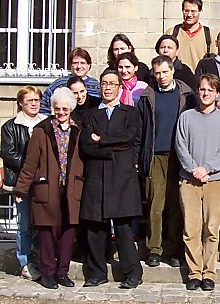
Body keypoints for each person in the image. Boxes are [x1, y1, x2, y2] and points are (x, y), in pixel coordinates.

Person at [13, 87, 83, 290]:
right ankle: (48, 273)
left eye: (65, 109)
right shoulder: (41, 130)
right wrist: (21, 189)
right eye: (57, 108)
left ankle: (62, 272)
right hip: (47, 187)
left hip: (71, 188)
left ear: (71, 109)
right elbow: (30, 163)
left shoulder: (79, 130)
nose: (61, 112)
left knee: (68, 232)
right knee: (47, 233)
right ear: (52, 108)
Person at [79, 70, 143, 289]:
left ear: (119, 88)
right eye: (104, 83)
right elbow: (86, 145)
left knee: (123, 228)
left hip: (121, 177)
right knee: (95, 227)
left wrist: (101, 139)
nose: (107, 88)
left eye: (112, 84)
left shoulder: (130, 113)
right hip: (96, 176)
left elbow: (129, 138)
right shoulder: (90, 115)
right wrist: (111, 147)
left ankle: (132, 272)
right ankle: (97, 273)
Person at [175, 74, 220, 291]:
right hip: (189, 180)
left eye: (210, 90)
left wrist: (207, 169)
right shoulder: (186, 117)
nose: (206, 93)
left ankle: (209, 273)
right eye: (202, 89)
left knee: (211, 229)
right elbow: (181, 146)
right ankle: (194, 272)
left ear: (217, 93)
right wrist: (194, 169)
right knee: (191, 229)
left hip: (215, 181)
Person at [135, 55, 194, 268]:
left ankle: (175, 249)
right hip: (155, 155)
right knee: (155, 203)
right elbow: (140, 130)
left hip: (180, 156)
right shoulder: (147, 96)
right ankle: (154, 248)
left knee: (176, 204)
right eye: (157, 73)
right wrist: (138, 157)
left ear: (172, 71)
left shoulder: (187, 95)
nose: (161, 76)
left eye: (165, 72)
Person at [0, 86, 46, 281]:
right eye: (30, 101)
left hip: (43, 182)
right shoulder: (10, 127)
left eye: (37, 100)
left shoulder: (46, 122)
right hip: (21, 181)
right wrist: (31, 169)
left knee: (42, 222)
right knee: (24, 224)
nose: (34, 104)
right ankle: (25, 261)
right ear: (21, 103)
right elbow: (9, 154)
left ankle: (41, 257)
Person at [40, 48, 100, 115]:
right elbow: (44, 104)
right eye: (75, 63)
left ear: (88, 65)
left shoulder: (95, 85)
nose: (79, 66)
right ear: (70, 65)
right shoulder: (60, 83)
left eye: (82, 63)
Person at [166, 0, 212, 70]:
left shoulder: (209, 35)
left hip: (200, 76)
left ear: (200, 11)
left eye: (193, 11)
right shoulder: (171, 33)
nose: (189, 15)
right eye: (186, 11)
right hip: (178, 75)